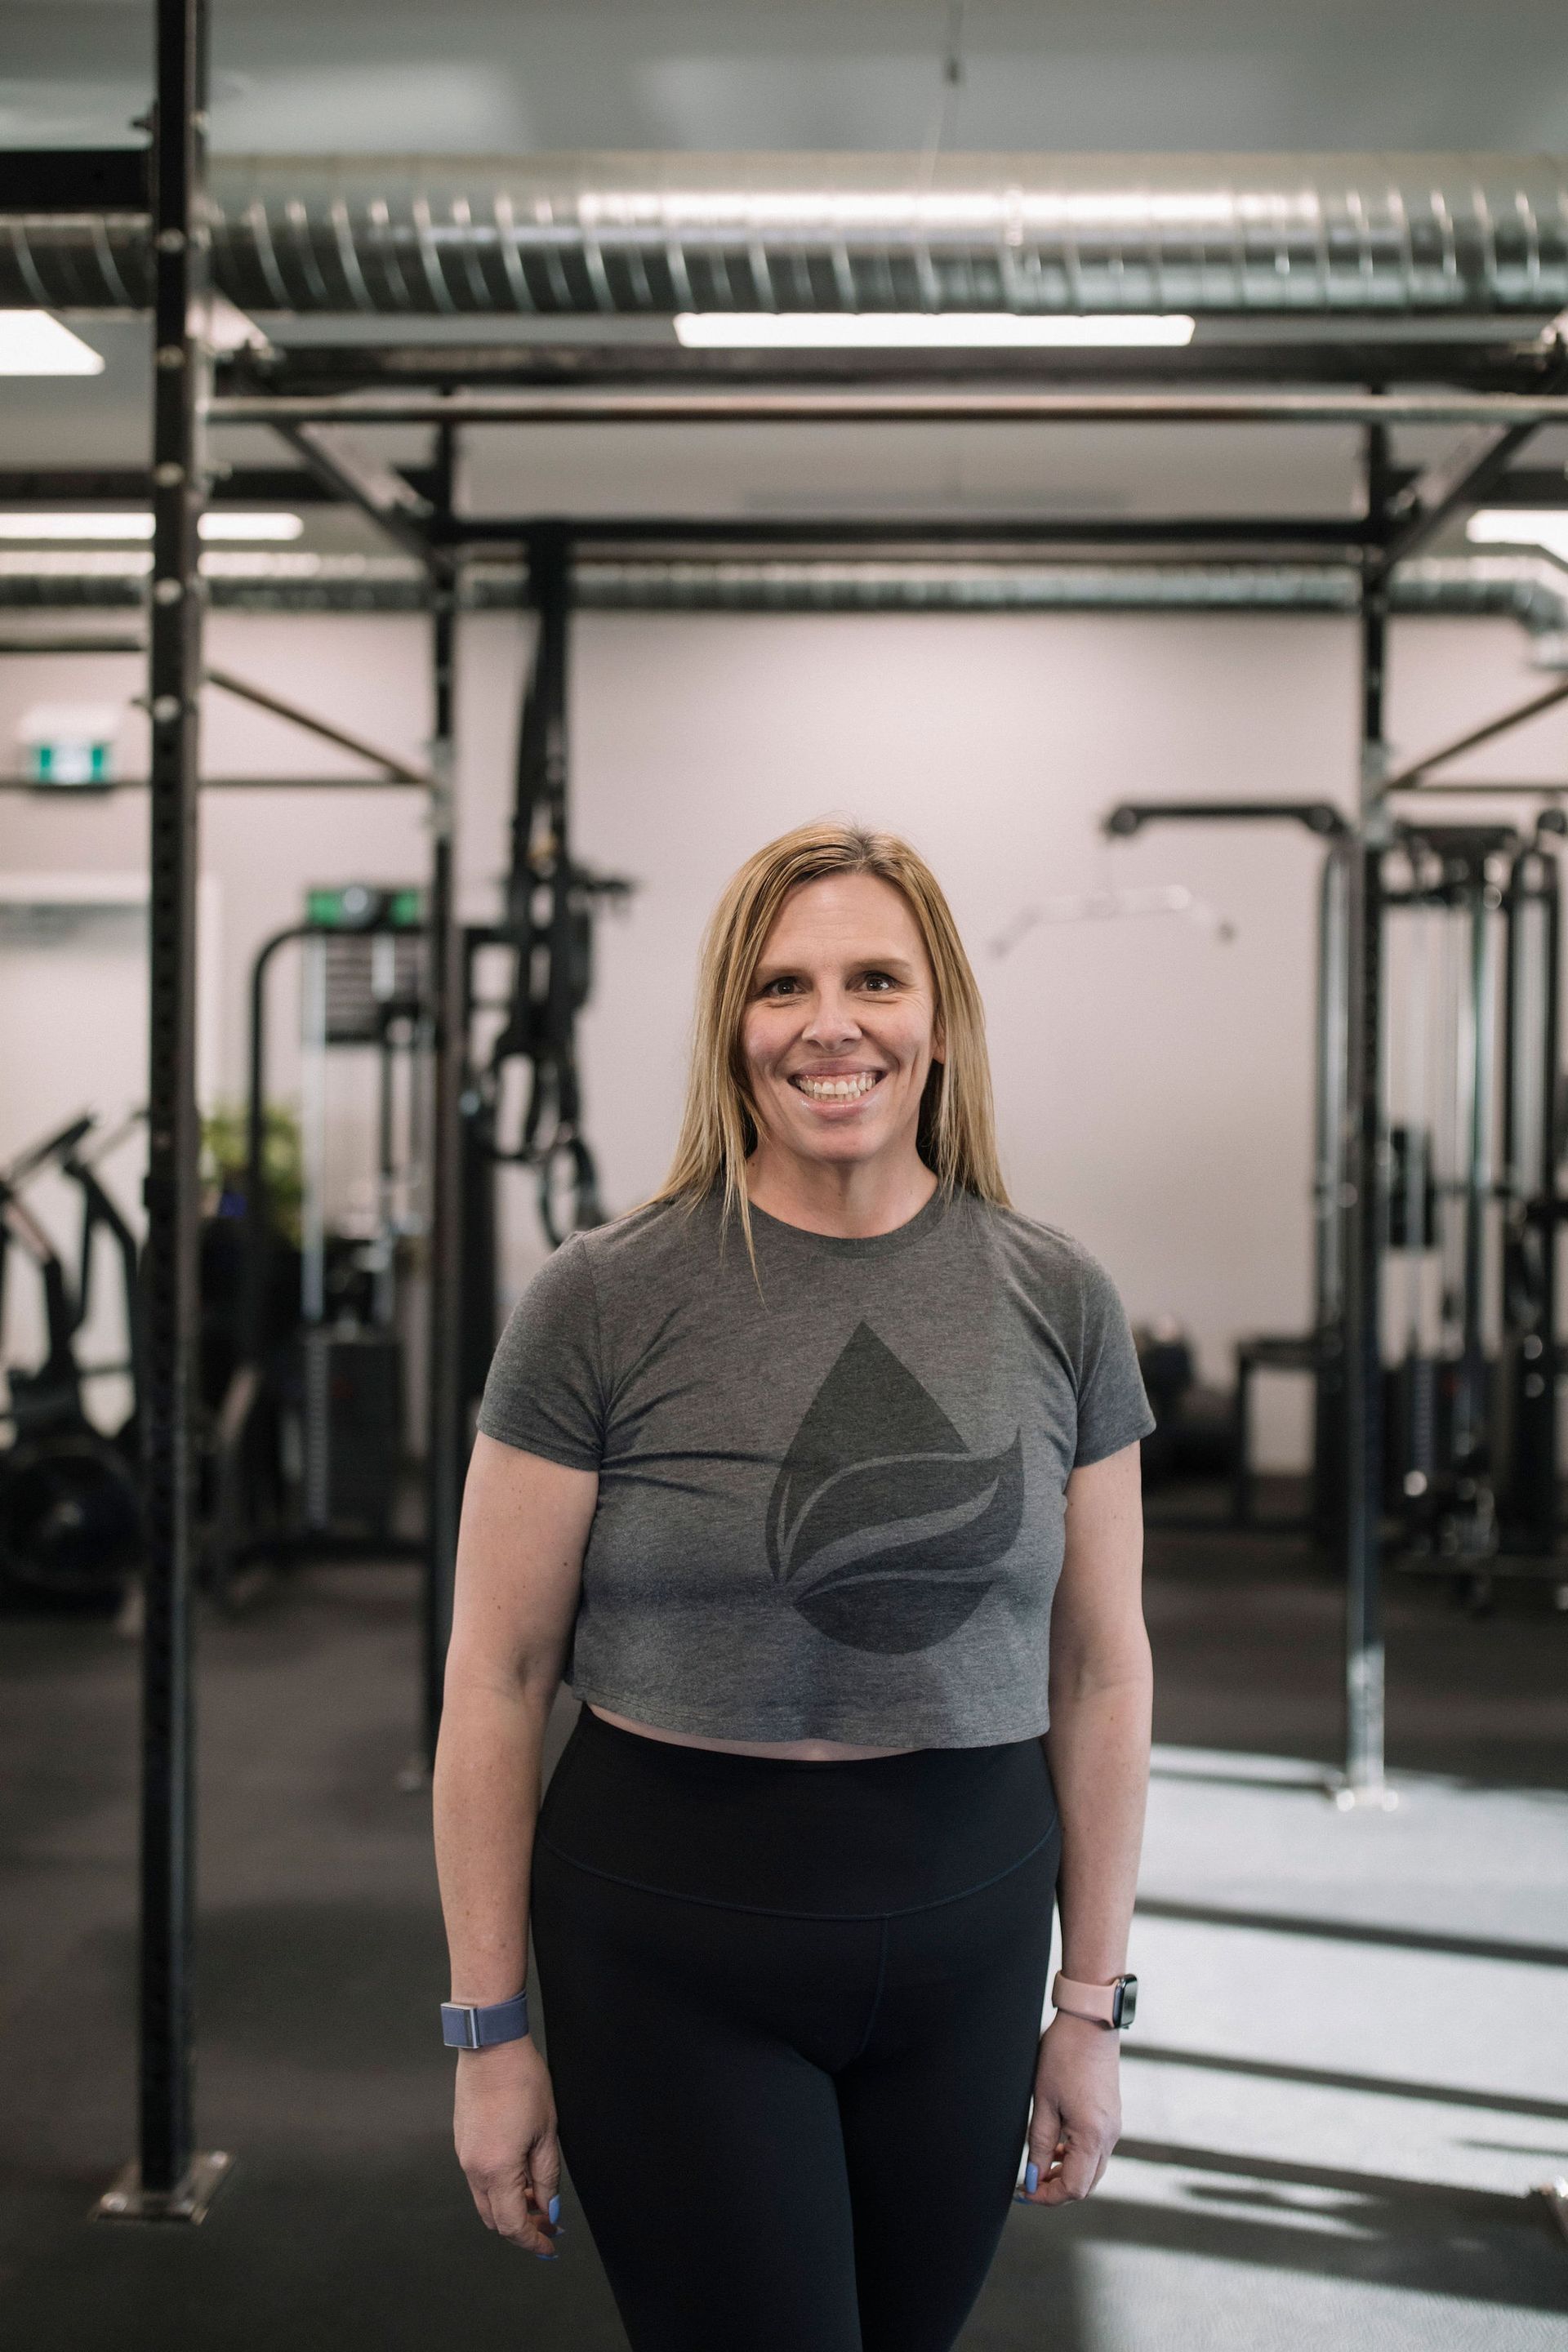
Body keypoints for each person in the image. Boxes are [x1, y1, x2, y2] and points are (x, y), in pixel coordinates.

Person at [433, 819, 1155, 2352]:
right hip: (674, 1941)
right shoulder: (602, 1300)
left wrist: (1088, 2005)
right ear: (732, 1032)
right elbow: (494, 1679)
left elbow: (1102, 1670)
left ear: (940, 1017)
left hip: (968, 1937)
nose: (833, 1025)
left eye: (876, 979)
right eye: (784, 988)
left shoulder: (1061, 1298)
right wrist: (488, 2034)